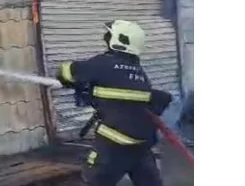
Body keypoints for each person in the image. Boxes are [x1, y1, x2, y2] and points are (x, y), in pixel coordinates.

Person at [56, 20, 174, 186]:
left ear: (119, 41)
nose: (106, 38)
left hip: (113, 144)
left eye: (109, 35)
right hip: (141, 144)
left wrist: (74, 80)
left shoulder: (104, 63)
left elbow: (65, 72)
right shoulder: (139, 71)